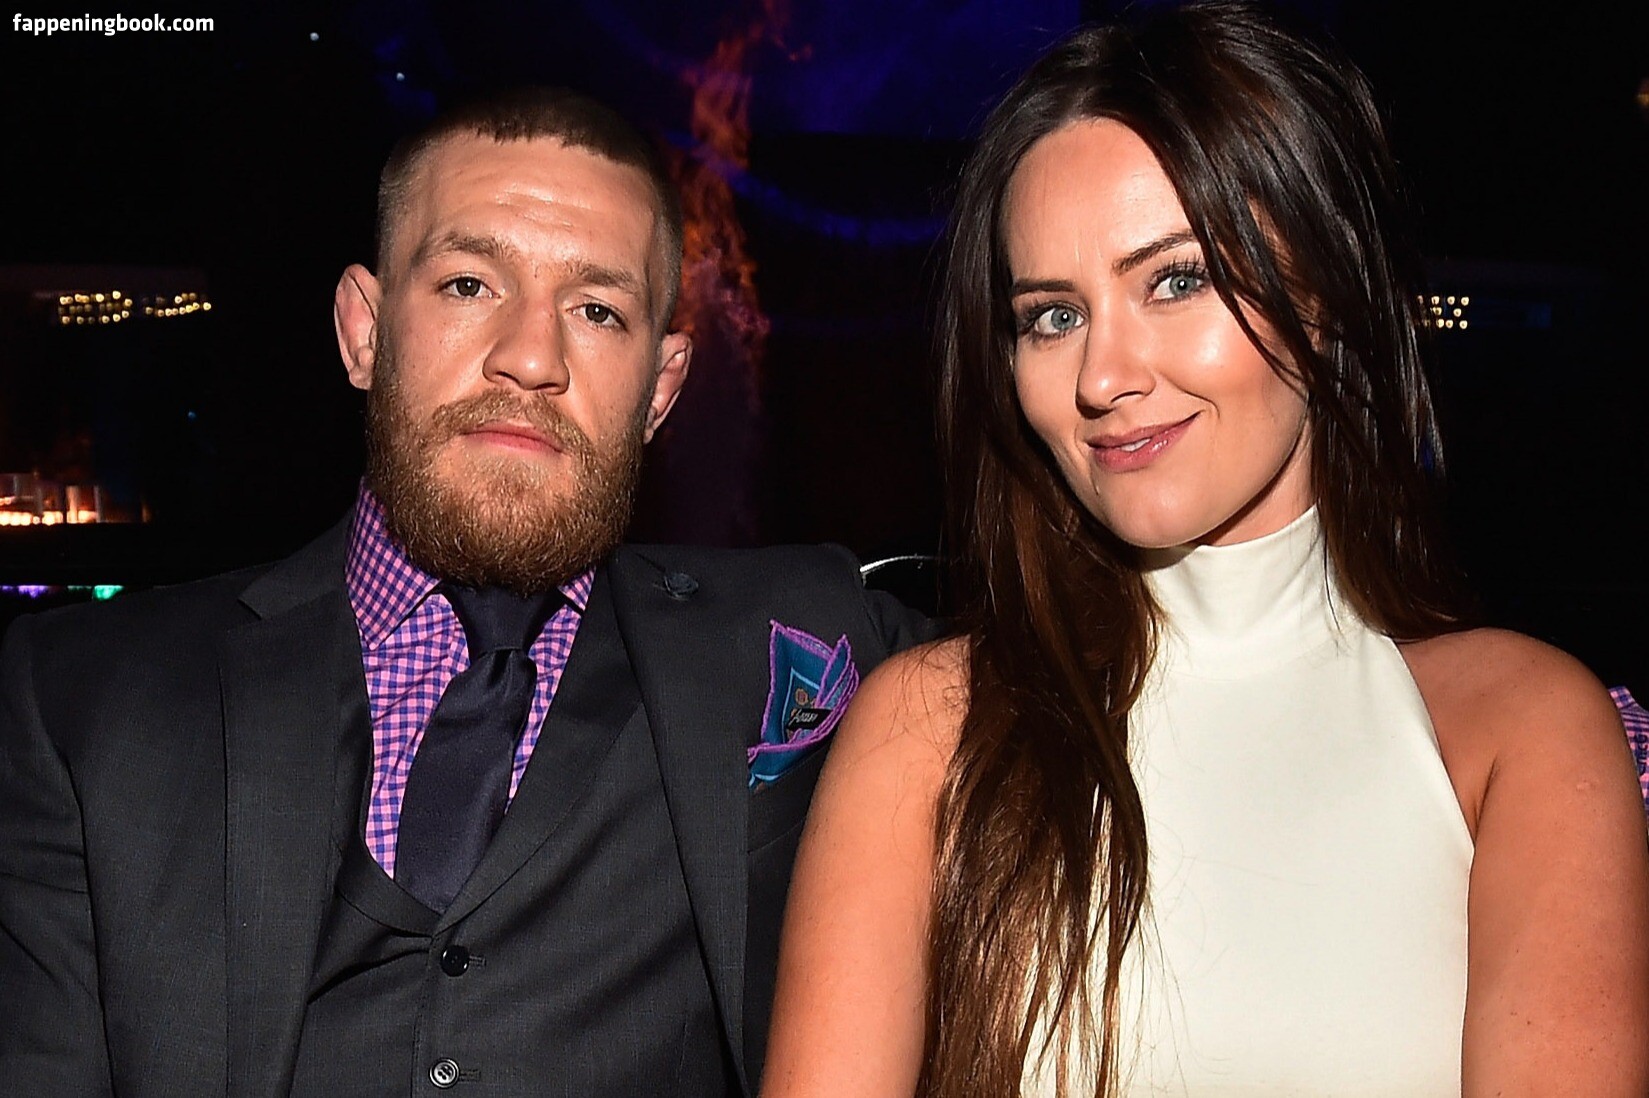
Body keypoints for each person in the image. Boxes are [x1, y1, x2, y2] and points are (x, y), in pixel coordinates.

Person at [762, 3, 1649, 1095]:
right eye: (1050, 316)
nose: (1101, 376)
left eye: (1174, 281)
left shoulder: (1521, 729)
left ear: (1323, 295)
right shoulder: (927, 730)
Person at [0, 87, 930, 1097]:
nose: (529, 358)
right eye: (467, 285)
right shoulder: (85, 701)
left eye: (596, 310)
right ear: (364, 332)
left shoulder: (803, 629)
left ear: (659, 391)